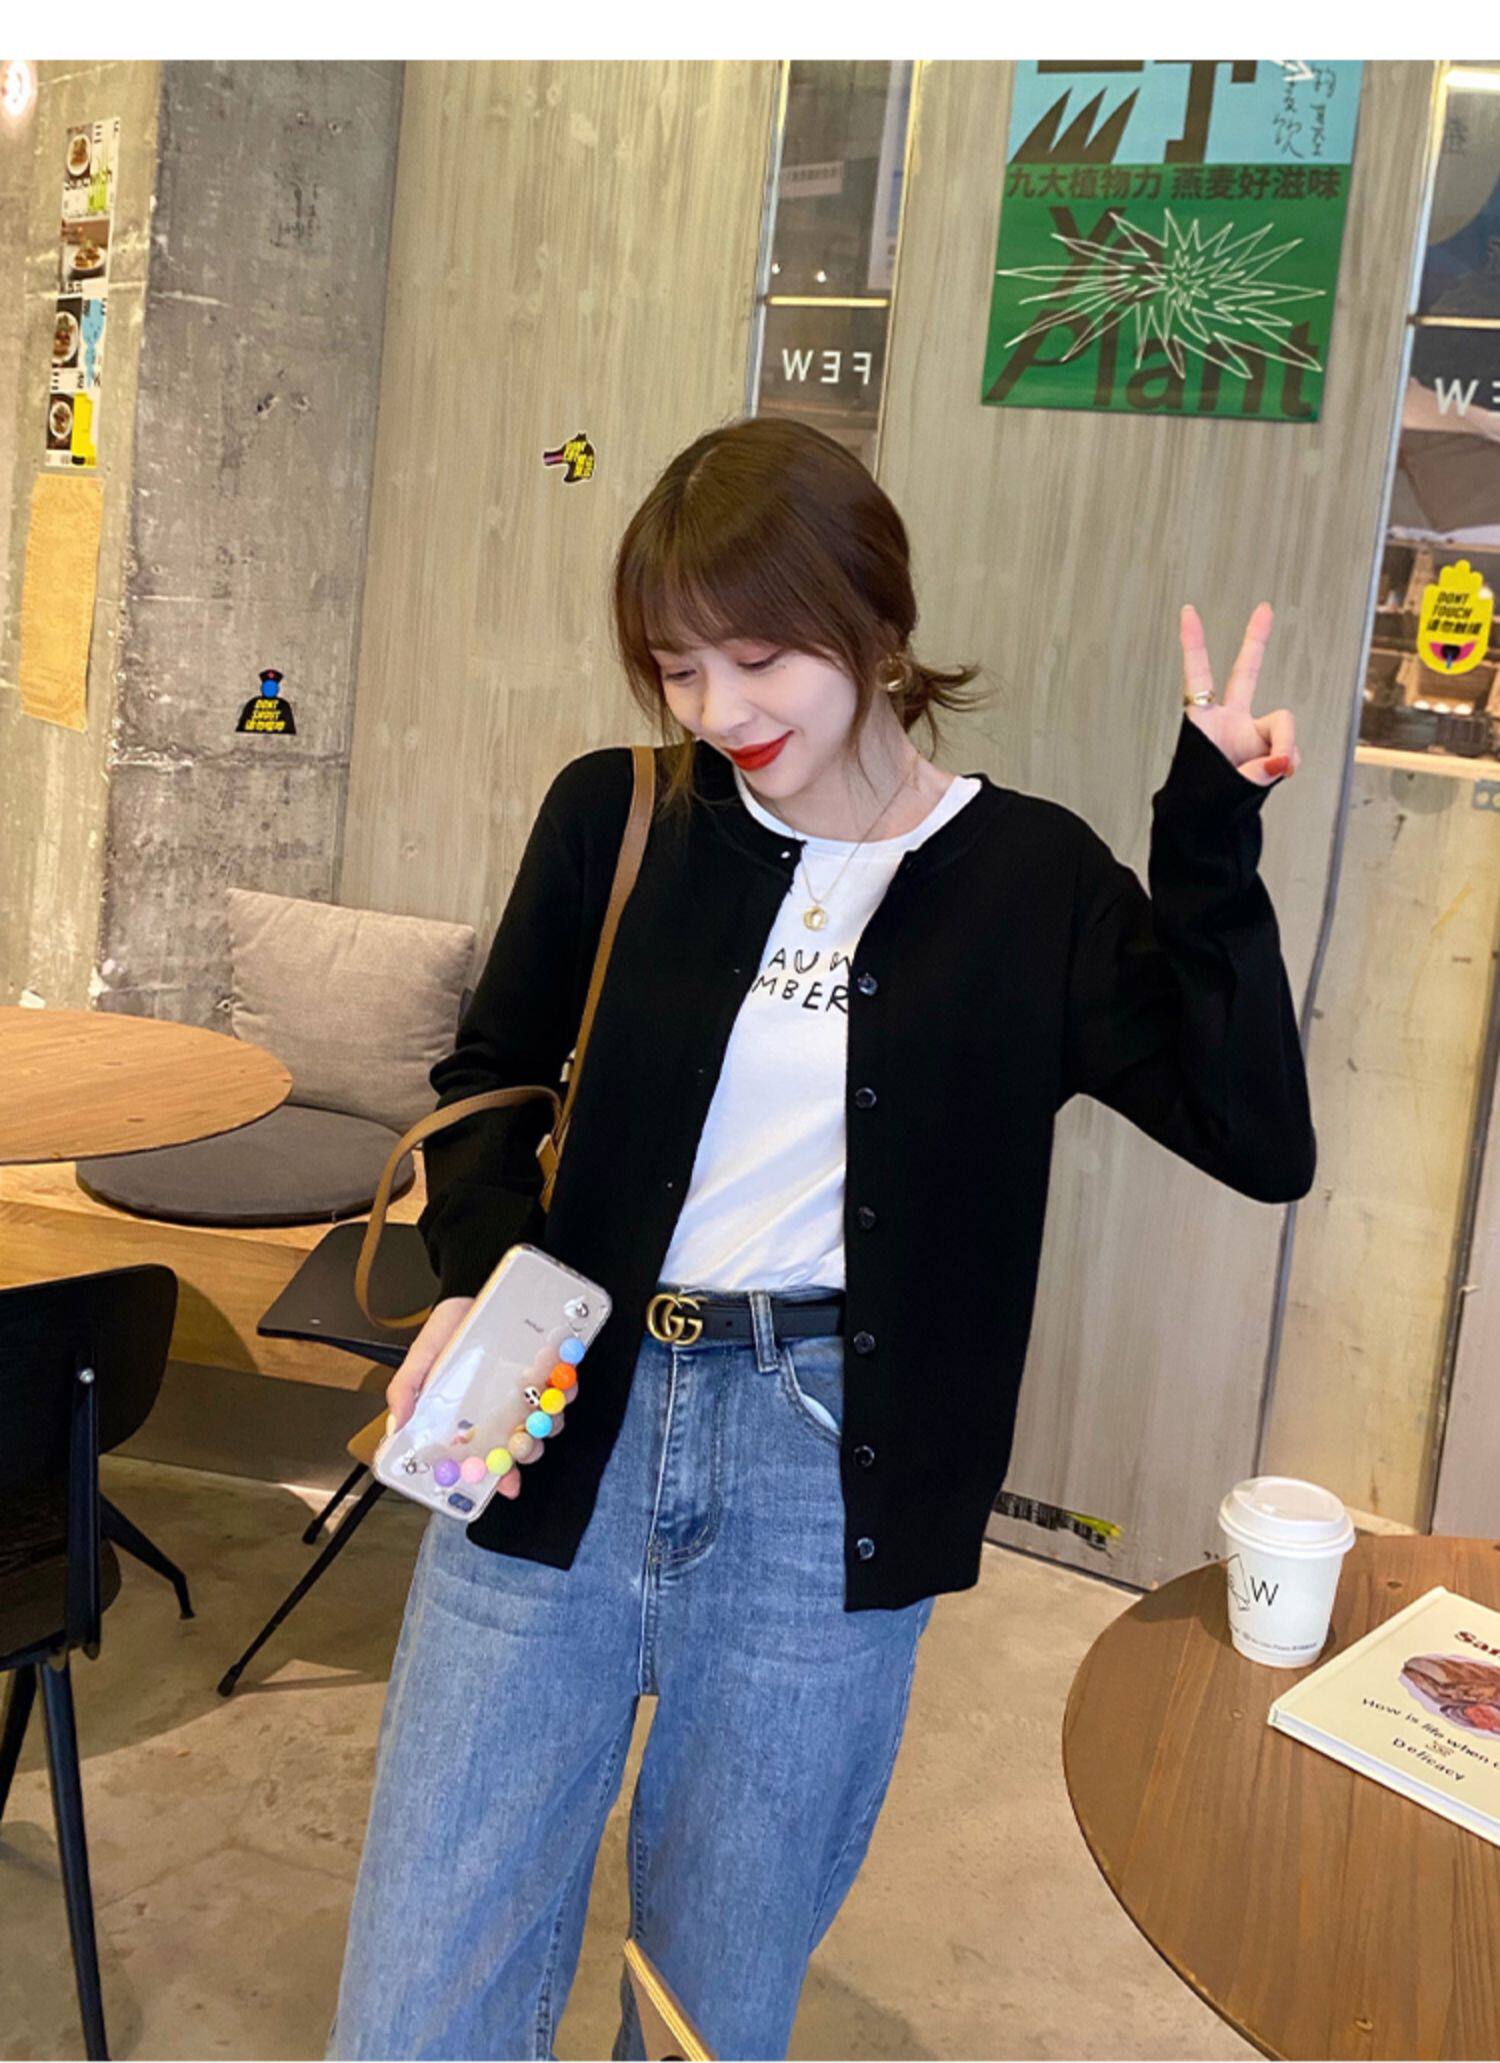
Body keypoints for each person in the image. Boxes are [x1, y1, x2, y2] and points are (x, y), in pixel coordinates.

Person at [327, 415, 1313, 2062]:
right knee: (420, 1990)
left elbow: (1259, 1140)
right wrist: (485, 1279)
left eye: (759, 657)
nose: (720, 712)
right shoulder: (619, 813)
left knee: (711, 2006)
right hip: (557, 1412)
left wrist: (1209, 839)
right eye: (679, 669)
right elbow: (491, 1074)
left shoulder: (1032, 881)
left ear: (872, 619)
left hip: (823, 1470)